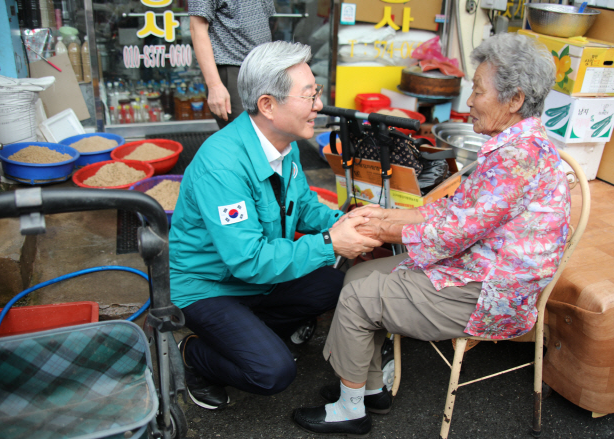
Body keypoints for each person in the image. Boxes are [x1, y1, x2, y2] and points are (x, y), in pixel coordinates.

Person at [293, 33, 571, 436]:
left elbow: (451, 233)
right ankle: (368, 389)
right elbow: (453, 211)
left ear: (514, 100)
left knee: (356, 296)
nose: (470, 101)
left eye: (477, 91)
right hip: (476, 267)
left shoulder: (517, 159)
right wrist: (388, 215)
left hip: (492, 293)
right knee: (355, 276)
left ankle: (349, 411)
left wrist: (379, 224)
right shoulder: (518, 144)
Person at [169, 41, 381, 411]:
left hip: (261, 280)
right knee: (271, 372)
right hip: (211, 286)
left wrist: (348, 223)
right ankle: (194, 354)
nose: (318, 105)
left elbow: (302, 209)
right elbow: (248, 260)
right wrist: (332, 243)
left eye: (316, 93)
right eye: (309, 96)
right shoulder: (223, 166)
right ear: (268, 105)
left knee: (337, 285)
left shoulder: (284, 143)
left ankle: (250, 332)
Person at [189, 0, 275, 128]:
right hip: (233, 67)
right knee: (245, 135)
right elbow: (197, 28)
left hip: (264, 67)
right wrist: (214, 85)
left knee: (268, 133)